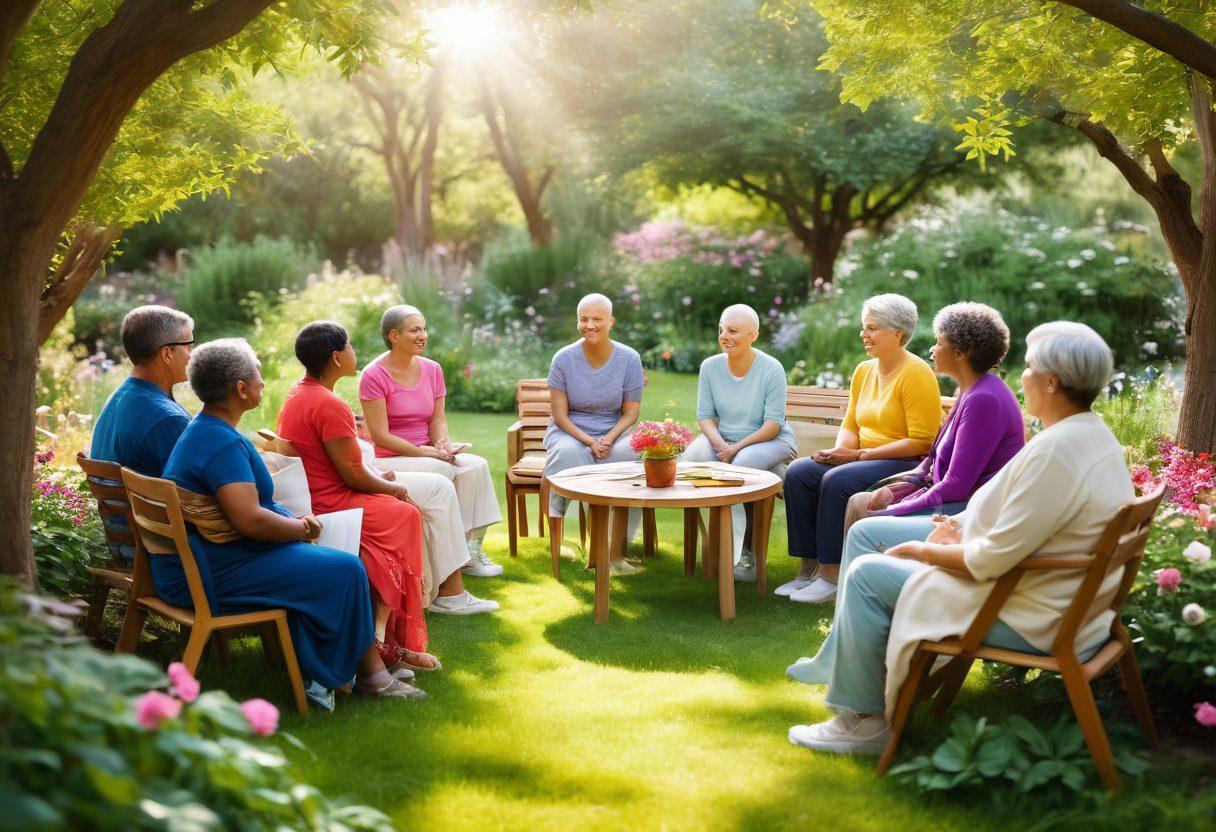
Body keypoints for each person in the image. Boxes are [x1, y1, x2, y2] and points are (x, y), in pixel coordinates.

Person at [786, 322, 1132, 754]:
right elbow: (1020, 524)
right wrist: (961, 530)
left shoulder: (1058, 451)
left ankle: (865, 722)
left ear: (1051, 381)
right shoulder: (1086, 434)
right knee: (869, 545)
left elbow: (990, 560)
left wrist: (923, 550)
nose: (1019, 376)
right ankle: (853, 677)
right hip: (1058, 600)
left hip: (1029, 614)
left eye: (1027, 367)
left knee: (866, 574)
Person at [160, 338, 422, 709]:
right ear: (240, 388)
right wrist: (302, 529)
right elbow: (250, 520)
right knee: (346, 567)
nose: (262, 383)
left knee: (338, 565)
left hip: (209, 559)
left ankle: (364, 670)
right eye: (258, 375)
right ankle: (365, 675)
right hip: (213, 572)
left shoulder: (206, 429)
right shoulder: (219, 442)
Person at [279, 321, 498, 616]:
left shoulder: (300, 392)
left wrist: (381, 474)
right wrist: (392, 486)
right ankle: (450, 593)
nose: (353, 352)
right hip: (336, 498)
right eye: (349, 346)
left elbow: (344, 462)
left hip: (333, 486)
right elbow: (353, 475)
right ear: (336, 358)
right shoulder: (328, 403)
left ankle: (446, 585)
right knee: (438, 488)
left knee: (442, 485)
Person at [778, 294, 941, 604]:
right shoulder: (864, 371)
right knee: (800, 472)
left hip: (902, 461)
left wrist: (854, 457)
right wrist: (837, 453)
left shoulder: (917, 373)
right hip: (862, 456)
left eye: (873, 328)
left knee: (837, 481)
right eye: (864, 327)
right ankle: (807, 570)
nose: (864, 335)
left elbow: (922, 441)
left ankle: (831, 576)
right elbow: (851, 424)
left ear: (898, 334)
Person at [360, 305, 503, 578]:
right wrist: (423, 452)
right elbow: (379, 435)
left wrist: (443, 444)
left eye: (424, 329)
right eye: (415, 330)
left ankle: (469, 552)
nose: (423, 335)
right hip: (389, 456)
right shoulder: (374, 374)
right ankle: (451, 558)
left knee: (476, 466)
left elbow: (437, 419)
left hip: (426, 451)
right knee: (447, 471)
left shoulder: (432, 369)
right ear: (394, 336)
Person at [849, 302, 1025, 523]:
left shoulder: (984, 399)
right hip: (947, 500)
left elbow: (956, 486)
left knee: (865, 524)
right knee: (859, 502)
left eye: (938, 343)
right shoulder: (969, 389)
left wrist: (896, 508)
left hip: (969, 513)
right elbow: (932, 458)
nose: (932, 349)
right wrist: (896, 489)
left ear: (959, 353)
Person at [684, 304, 797, 580]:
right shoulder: (710, 366)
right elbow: (705, 417)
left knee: (742, 465)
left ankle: (742, 554)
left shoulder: (771, 368)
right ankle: (718, 543)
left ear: (753, 335)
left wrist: (735, 449)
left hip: (770, 441)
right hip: (725, 439)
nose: (725, 336)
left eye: (733, 331)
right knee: (692, 461)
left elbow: (772, 425)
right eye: (722, 329)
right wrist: (721, 444)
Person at [542, 293, 646, 574]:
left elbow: (630, 413)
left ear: (611, 321)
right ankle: (561, 542)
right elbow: (560, 416)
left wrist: (609, 439)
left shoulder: (629, 359)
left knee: (629, 454)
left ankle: (613, 554)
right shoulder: (563, 358)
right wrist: (590, 441)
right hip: (570, 430)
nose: (589, 325)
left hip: (613, 430)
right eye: (583, 319)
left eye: (596, 319)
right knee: (567, 453)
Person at [91, 305, 194, 476]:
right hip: (152, 504)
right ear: (167, 354)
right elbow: (201, 491)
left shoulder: (119, 397)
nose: (192, 354)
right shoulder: (169, 420)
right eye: (188, 347)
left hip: (118, 503)